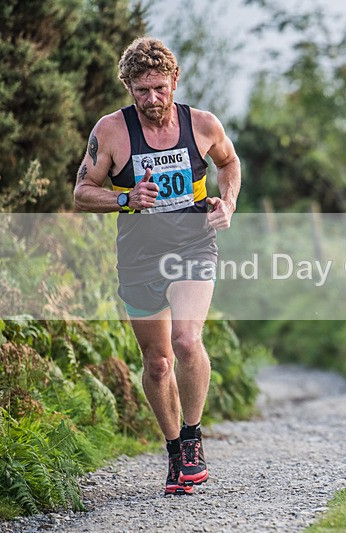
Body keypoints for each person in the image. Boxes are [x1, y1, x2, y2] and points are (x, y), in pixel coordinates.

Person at [73, 37, 240, 495]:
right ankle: (172, 451)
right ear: (128, 86)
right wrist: (125, 198)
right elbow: (82, 191)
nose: (152, 99)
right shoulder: (110, 131)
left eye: (160, 88)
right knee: (158, 362)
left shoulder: (202, 124)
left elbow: (229, 163)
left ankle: (192, 437)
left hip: (194, 245)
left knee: (187, 340)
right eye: (142, 90)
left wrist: (227, 203)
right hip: (139, 255)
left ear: (174, 82)